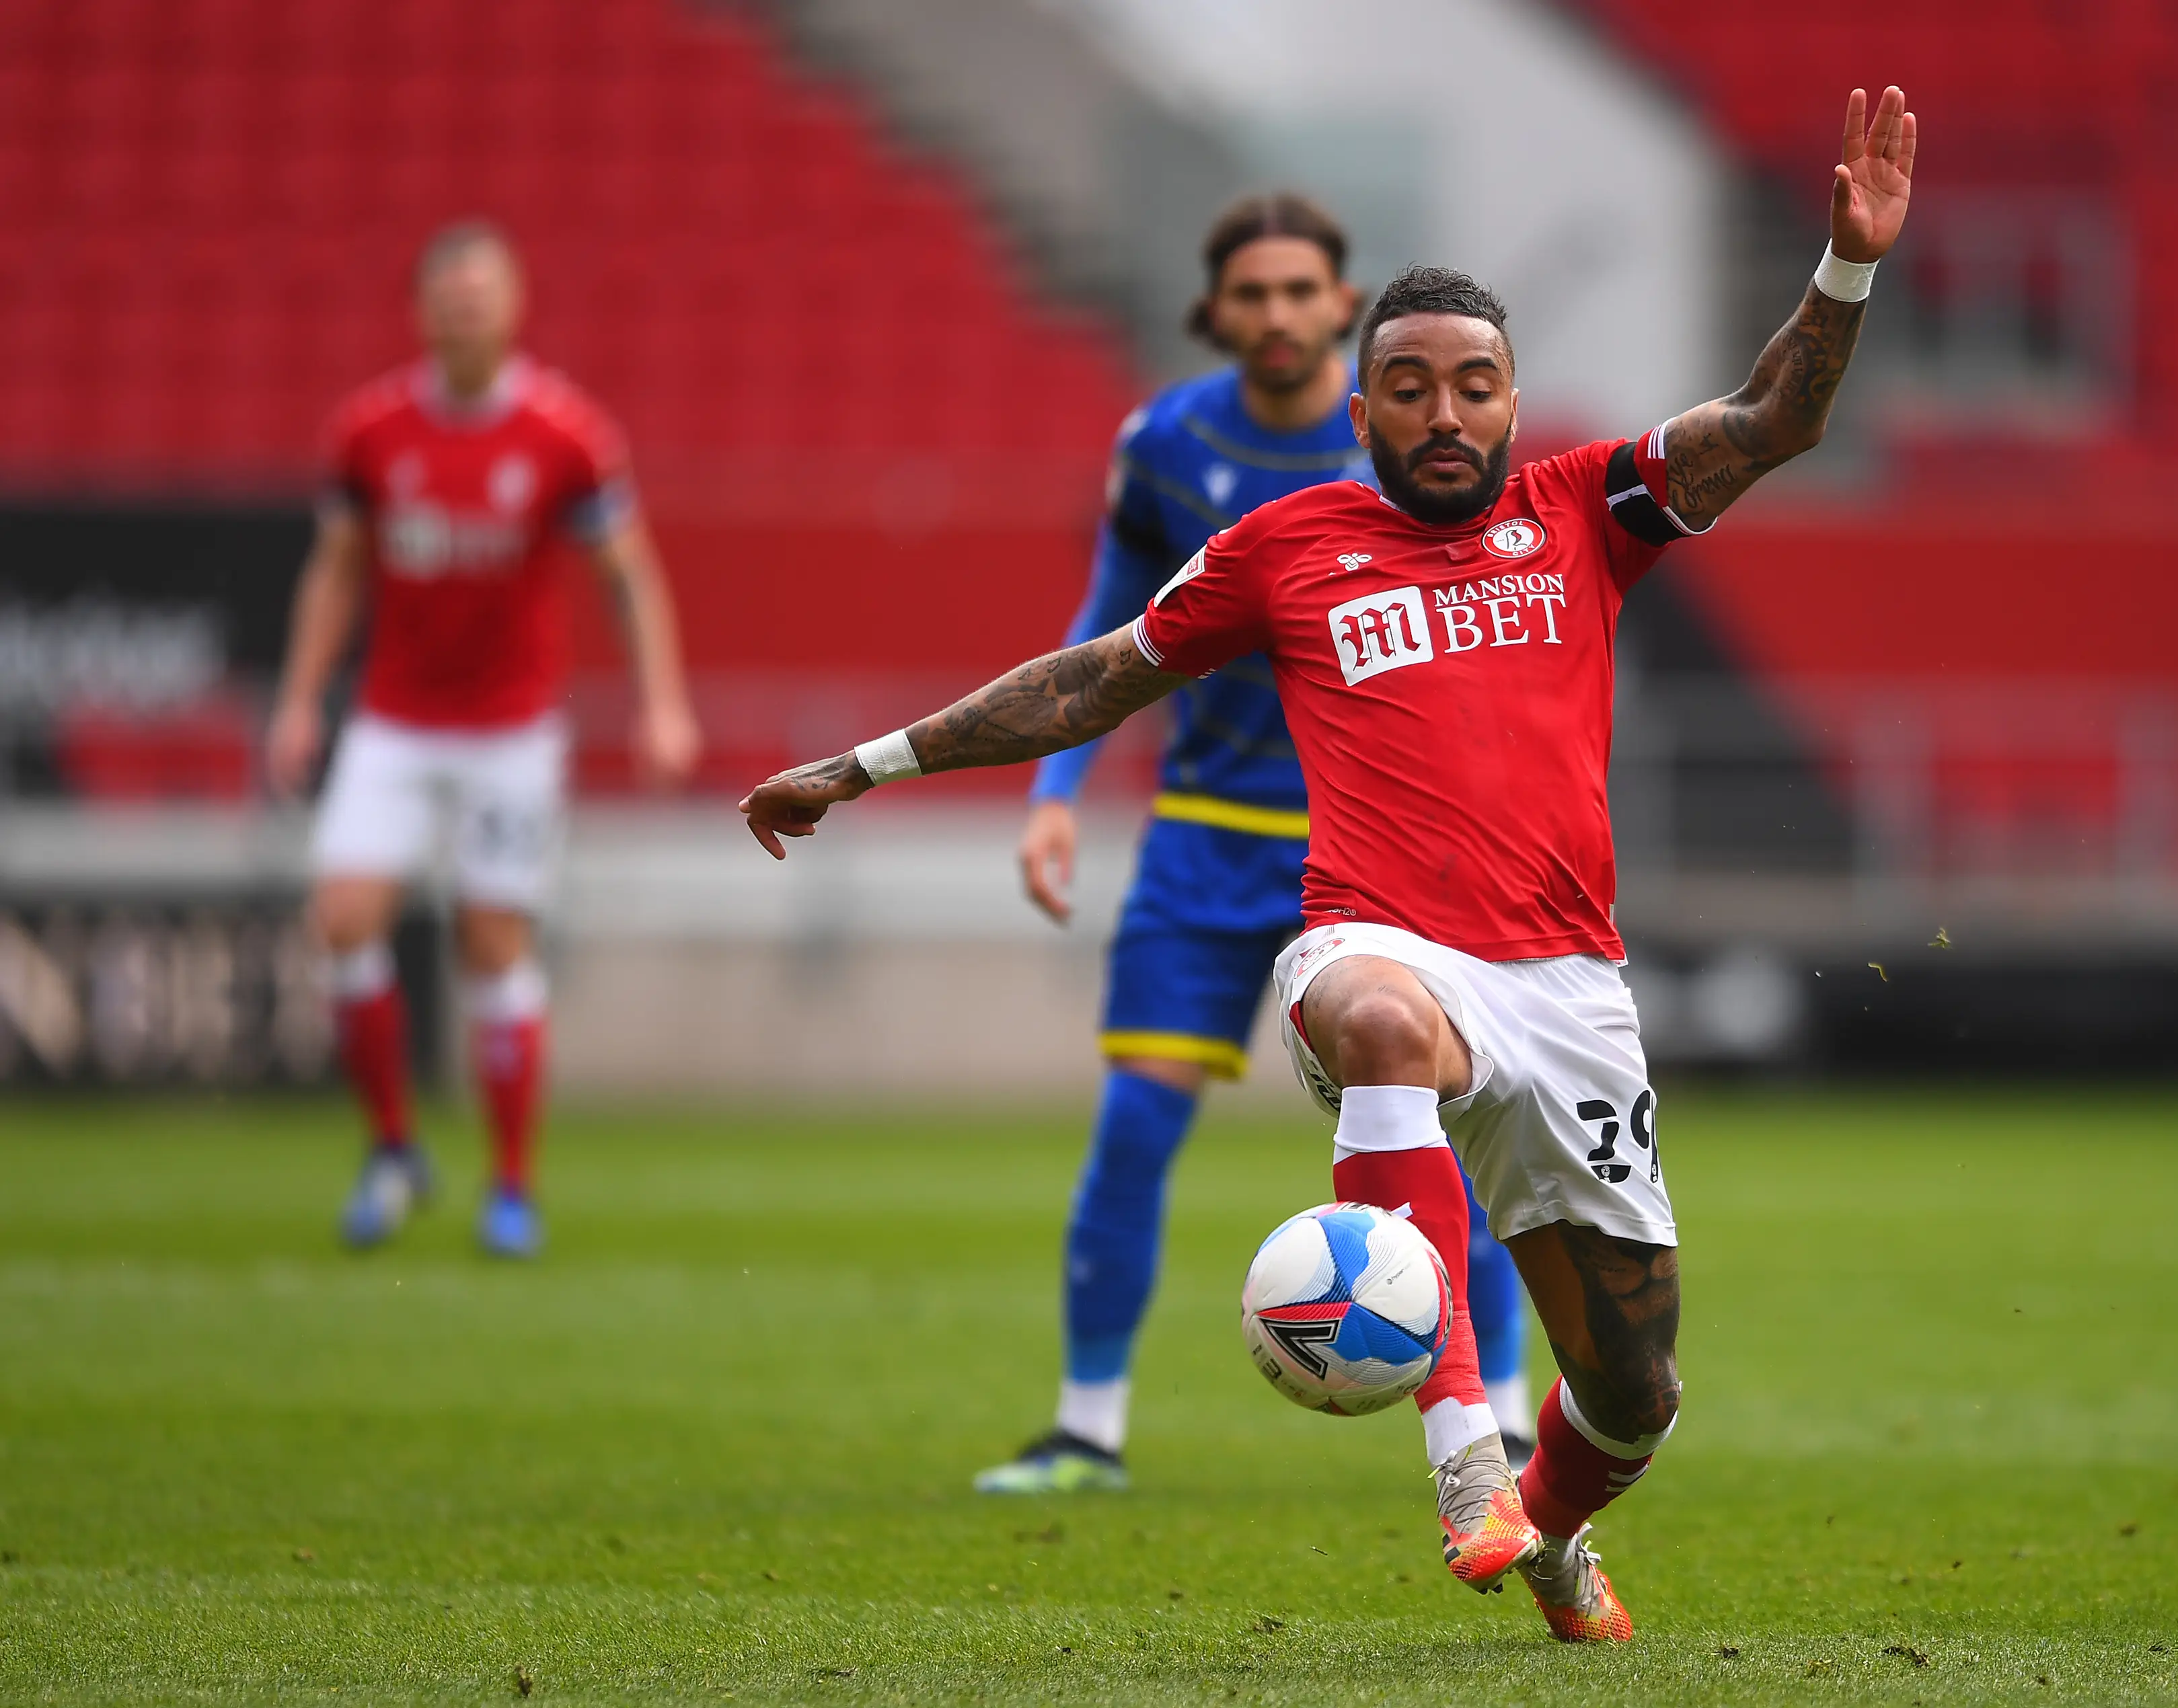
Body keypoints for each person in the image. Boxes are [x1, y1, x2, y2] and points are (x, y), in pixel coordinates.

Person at [743, 88, 1915, 1640]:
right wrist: (866, 765)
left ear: (1514, 403)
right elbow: (1093, 680)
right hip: (1374, 940)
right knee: (1375, 1018)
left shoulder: (1587, 509)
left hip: (1567, 987)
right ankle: (1462, 1458)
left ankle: (1553, 1533)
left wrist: (1846, 266)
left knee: (1638, 1391)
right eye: (1409, 389)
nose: (1444, 414)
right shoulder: (1285, 547)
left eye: (1474, 386)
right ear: (1362, 414)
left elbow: (1775, 420)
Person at [976, 194, 1542, 1494]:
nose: (1279, 314)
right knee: (1133, 1124)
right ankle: (1087, 1429)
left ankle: (1504, 1417)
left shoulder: (1410, 446)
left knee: (1454, 1140)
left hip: (1384, 846)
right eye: (1253, 293)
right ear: (1215, 311)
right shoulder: (1165, 445)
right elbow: (1109, 618)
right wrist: (1057, 789)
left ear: (1341, 306)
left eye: (1301, 292)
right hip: (1208, 839)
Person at [267, 221, 702, 1259]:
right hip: (394, 722)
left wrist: (664, 702)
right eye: (449, 297)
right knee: (342, 917)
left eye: (482, 295)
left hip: (510, 732)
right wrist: (298, 698)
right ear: (421, 313)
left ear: (514, 309)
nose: (465, 312)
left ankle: (512, 1184)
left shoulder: (565, 435)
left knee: (492, 941)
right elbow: (336, 570)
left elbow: (629, 574)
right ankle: (392, 1147)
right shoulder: (371, 432)